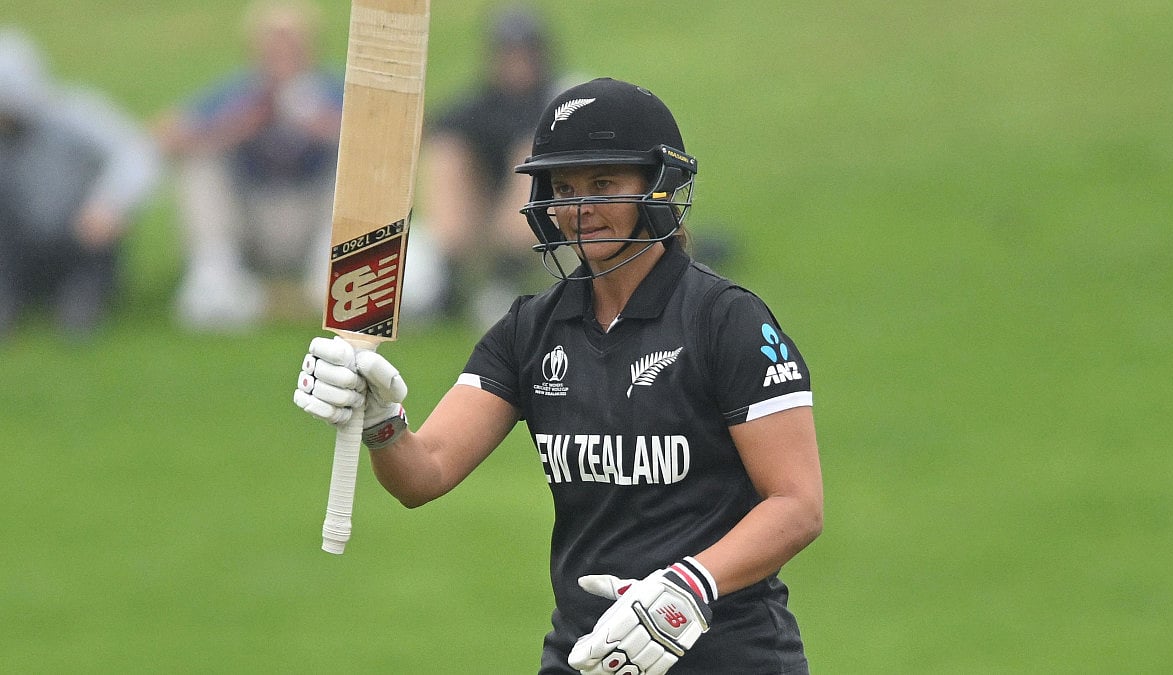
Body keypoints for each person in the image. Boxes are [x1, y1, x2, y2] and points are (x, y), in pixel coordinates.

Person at [294, 78, 824, 674]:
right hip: (588, 655)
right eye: (564, 188)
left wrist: (684, 591)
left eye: (604, 185)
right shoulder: (531, 329)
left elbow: (797, 504)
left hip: (729, 656)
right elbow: (425, 474)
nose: (579, 208)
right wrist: (381, 421)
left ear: (659, 186)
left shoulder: (726, 319)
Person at [154, 0, 342, 331]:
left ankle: (332, 278)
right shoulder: (238, 93)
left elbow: (400, 140)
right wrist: (235, 127)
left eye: (292, 43)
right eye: (273, 43)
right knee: (201, 163)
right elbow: (163, 138)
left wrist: (328, 127)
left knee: (353, 162)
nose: (282, 53)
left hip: (317, 220)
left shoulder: (333, 91)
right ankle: (215, 275)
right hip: (251, 219)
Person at [413, 4, 575, 329]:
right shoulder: (484, 102)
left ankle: (504, 280)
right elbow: (442, 127)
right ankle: (450, 277)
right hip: (483, 214)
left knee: (531, 151)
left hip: (555, 222)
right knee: (449, 150)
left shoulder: (563, 98)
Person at [0, 27, 160, 341]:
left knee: (94, 241)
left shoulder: (74, 114)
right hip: (17, 242)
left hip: (79, 235)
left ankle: (82, 297)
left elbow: (138, 152)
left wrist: (110, 203)